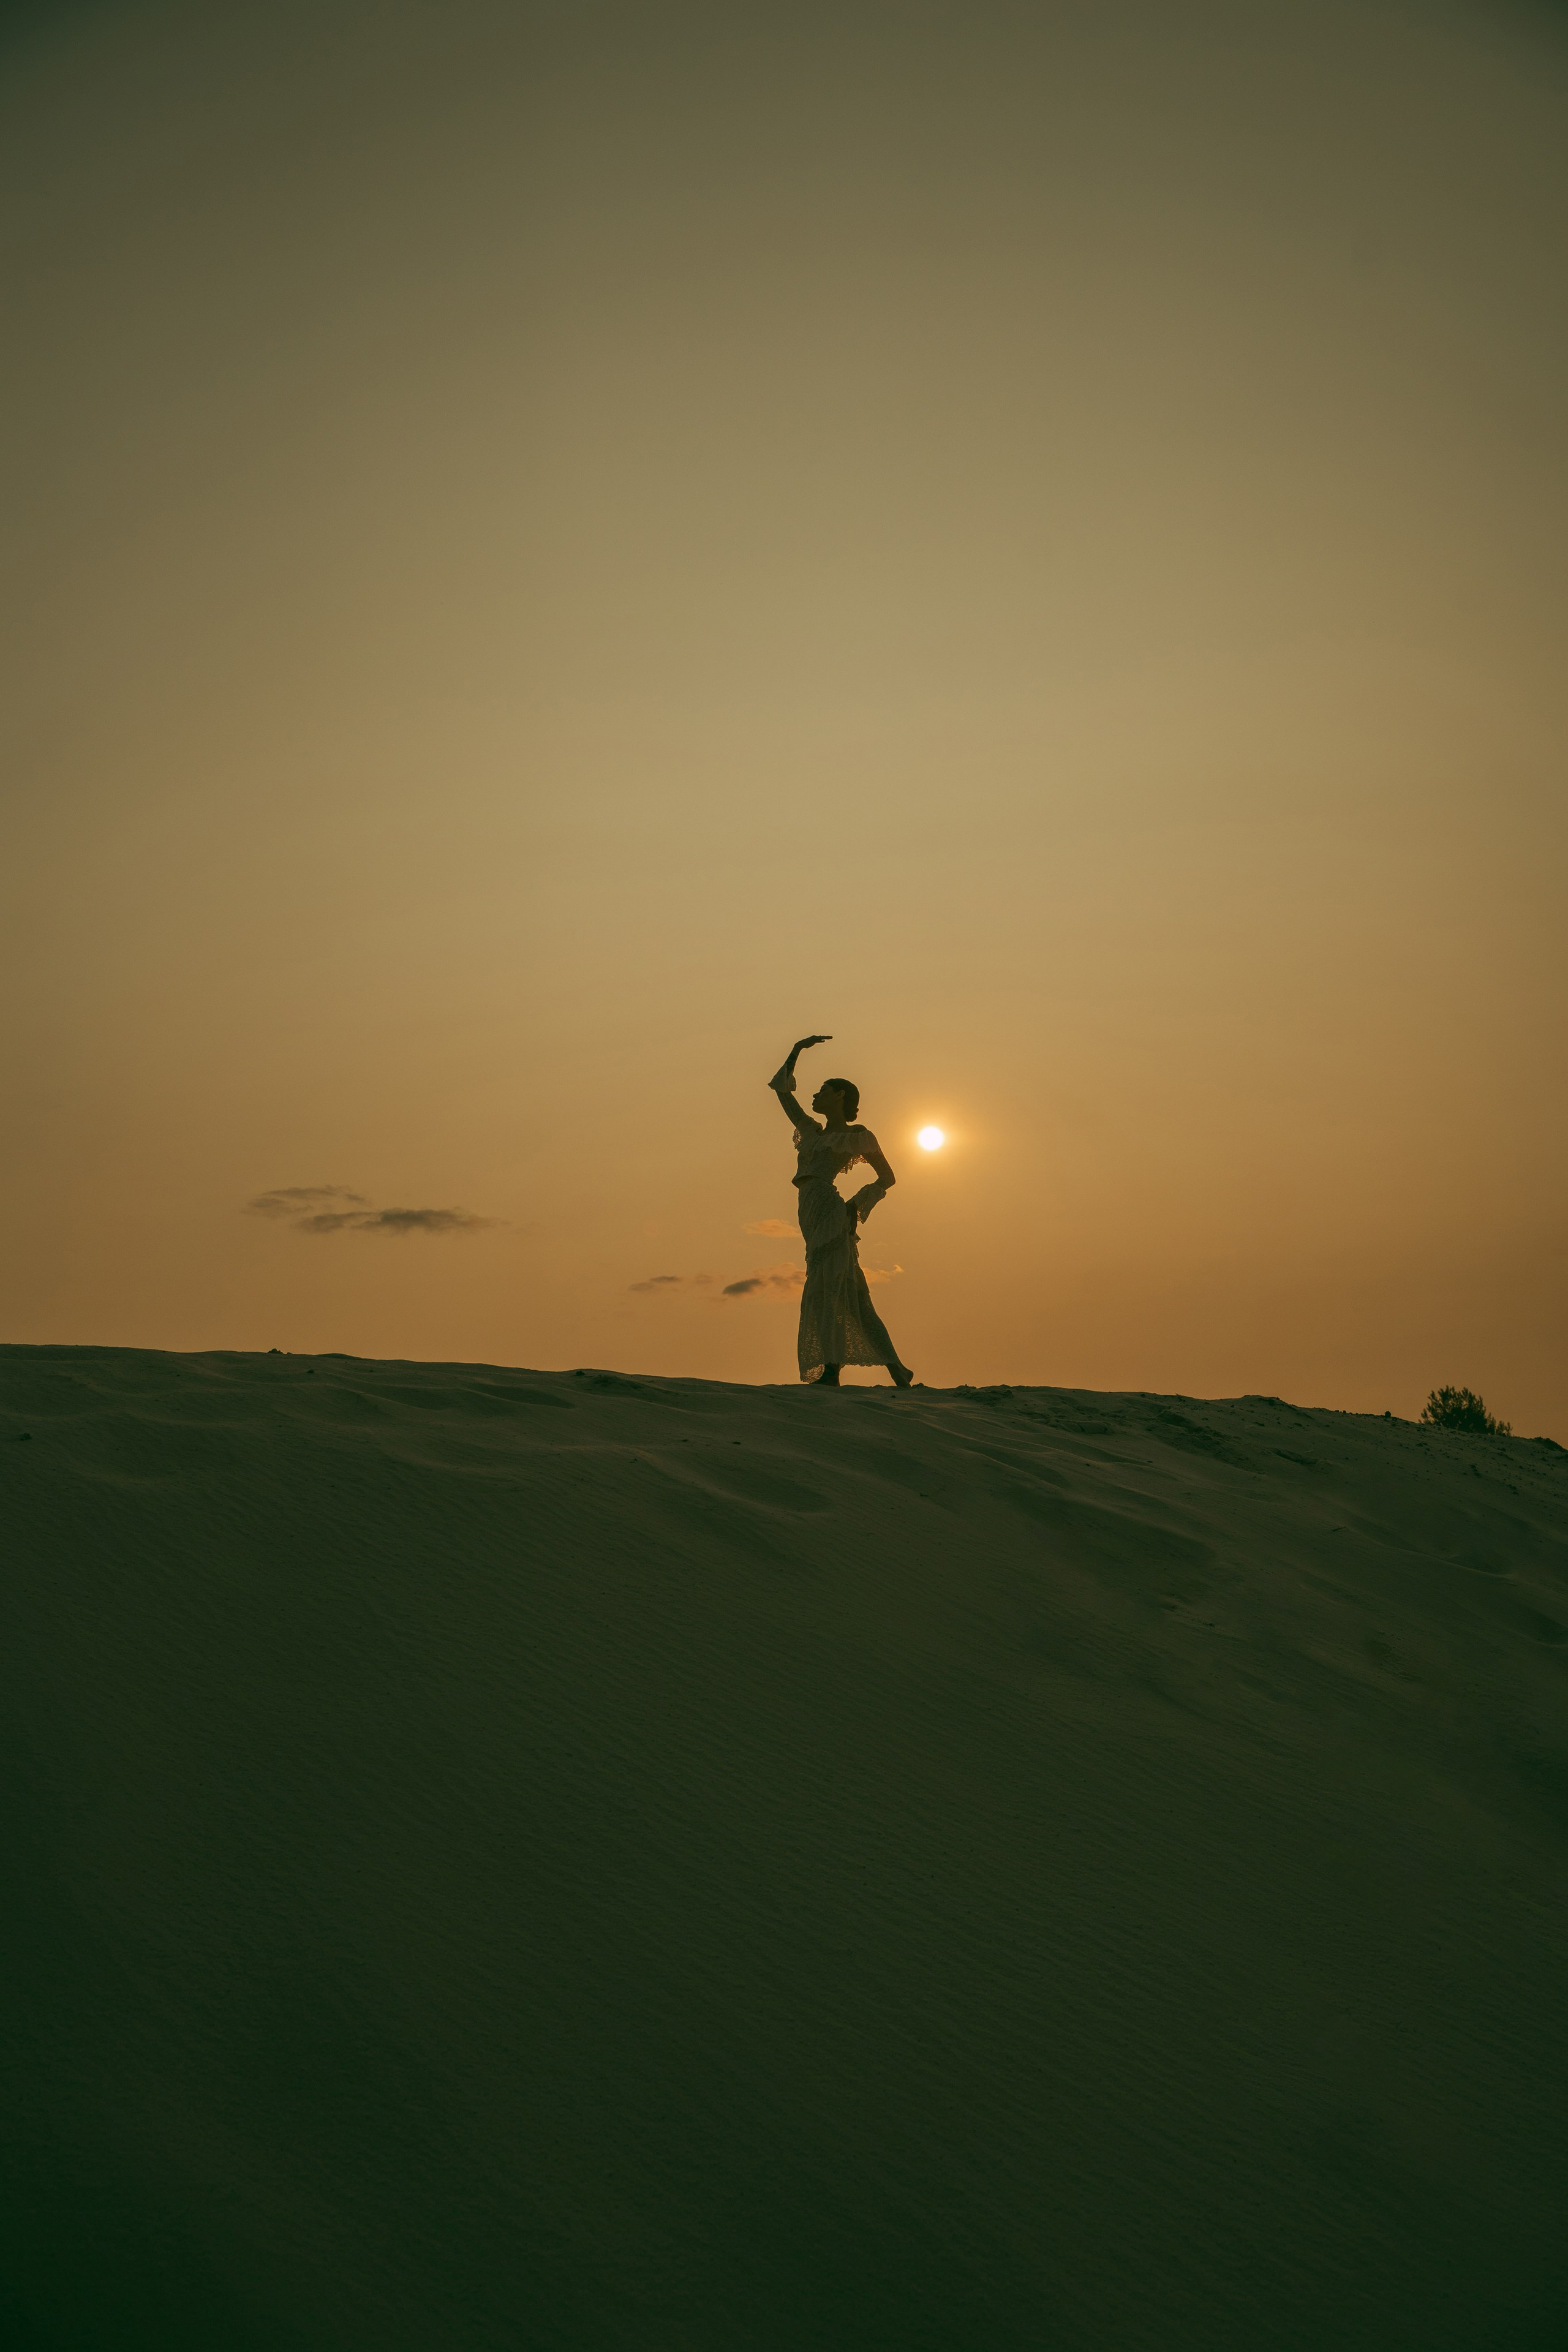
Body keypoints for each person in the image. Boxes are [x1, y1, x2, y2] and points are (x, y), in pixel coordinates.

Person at [767, 1035, 914, 1387]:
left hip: (833, 1214)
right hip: (810, 1212)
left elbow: (888, 1177)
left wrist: (857, 1205)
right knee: (852, 1298)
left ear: (840, 1096)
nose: (815, 1096)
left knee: (827, 1292)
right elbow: (782, 1092)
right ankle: (898, 1370)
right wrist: (796, 1050)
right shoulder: (810, 1131)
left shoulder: (857, 1136)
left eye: (822, 1090)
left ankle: (832, 1370)